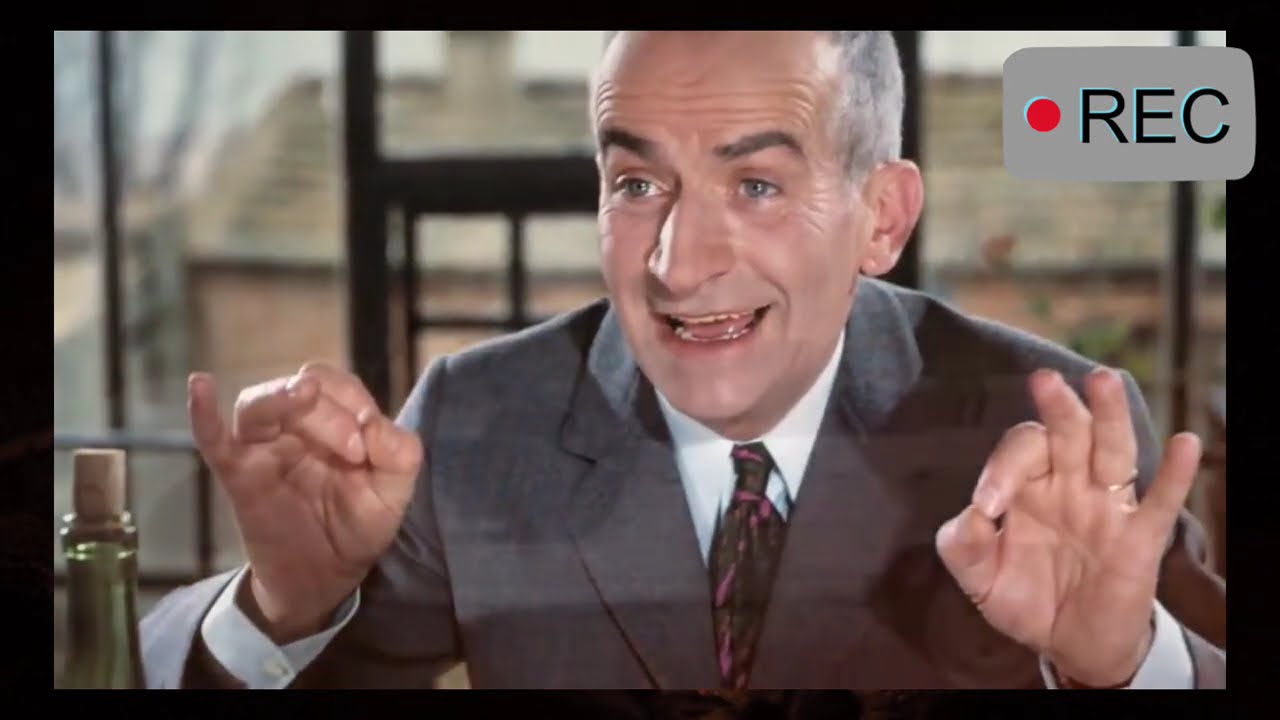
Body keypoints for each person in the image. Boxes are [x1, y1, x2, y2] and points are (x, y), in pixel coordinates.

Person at [139, 31, 1226, 696]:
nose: (676, 263)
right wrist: (282, 607)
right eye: (636, 185)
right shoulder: (475, 421)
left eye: (755, 185)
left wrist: (1126, 667)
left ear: (882, 218)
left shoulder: (1052, 435)